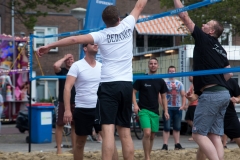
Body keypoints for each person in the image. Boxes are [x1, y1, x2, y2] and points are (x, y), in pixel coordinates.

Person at [37, 0, 149, 159]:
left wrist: (49, 46)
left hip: (109, 86)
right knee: (125, 133)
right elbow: (140, 5)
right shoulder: (127, 25)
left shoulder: (100, 35)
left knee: (108, 131)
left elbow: (74, 39)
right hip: (126, 85)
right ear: (119, 18)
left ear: (105, 22)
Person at [174, 0, 233, 159]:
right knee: (214, 135)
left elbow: (184, 16)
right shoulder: (221, 49)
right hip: (223, 94)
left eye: (207, 24)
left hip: (213, 95)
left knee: (198, 134)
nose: (203, 25)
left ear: (211, 31)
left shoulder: (204, 38)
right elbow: (229, 75)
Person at [63, 44, 118, 160]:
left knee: (109, 141)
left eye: (96, 44)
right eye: (92, 44)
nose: (96, 45)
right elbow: (67, 87)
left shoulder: (102, 66)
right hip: (83, 108)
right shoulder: (77, 66)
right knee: (79, 143)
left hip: (100, 108)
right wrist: (67, 110)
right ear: (85, 48)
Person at [132, 57, 169, 160]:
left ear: (158, 66)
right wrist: (135, 105)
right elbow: (133, 92)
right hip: (143, 110)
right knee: (147, 133)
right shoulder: (142, 79)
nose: (153, 65)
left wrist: (166, 111)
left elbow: (163, 97)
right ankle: (147, 157)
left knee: (152, 136)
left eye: (155, 63)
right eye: (151, 63)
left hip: (155, 111)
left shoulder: (160, 80)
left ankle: (147, 155)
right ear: (148, 65)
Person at [53, 54, 76, 154]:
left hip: (76, 101)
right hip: (63, 101)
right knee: (60, 125)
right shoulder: (62, 71)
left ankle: (75, 149)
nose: (69, 61)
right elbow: (55, 66)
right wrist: (64, 58)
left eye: (71, 59)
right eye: (68, 59)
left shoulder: (77, 70)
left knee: (74, 125)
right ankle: (59, 149)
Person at [162, 65, 186, 150]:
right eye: (170, 71)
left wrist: (183, 106)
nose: (171, 72)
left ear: (175, 72)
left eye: (173, 71)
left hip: (177, 107)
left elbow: (183, 95)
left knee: (177, 127)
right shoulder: (164, 82)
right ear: (168, 72)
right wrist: (163, 106)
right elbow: (161, 95)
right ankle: (165, 145)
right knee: (167, 127)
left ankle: (177, 144)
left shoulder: (179, 83)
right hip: (167, 108)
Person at [223, 78, 240, 148]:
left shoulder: (231, 81)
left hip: (229, 114)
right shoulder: (211, 79)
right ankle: (224, 145)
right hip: (213, 114)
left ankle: (224, 144)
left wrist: (237, 99)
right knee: (205, 143)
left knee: (238, 137)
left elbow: (239, 96)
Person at [180, 76, 198, 141]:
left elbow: (192, 97)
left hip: (194, 104)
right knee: (188, 119)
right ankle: (196, 133)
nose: (189, 78)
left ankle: (196, 134)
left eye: (190, 76)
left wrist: (187, 105)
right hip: (192, 104)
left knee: (191, 120)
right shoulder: (192, 85)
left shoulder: (195, 85)